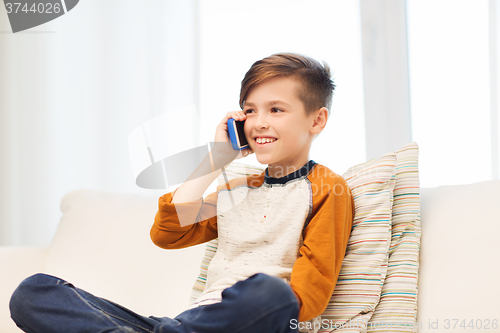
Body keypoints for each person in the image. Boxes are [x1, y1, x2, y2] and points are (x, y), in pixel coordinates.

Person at [9, 52, 354, 333]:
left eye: (275, 109)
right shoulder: (238, 188)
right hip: (187, 323)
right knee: (34, 292)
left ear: (317, 120)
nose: (259, 122)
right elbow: (168, 233)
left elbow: (308, 295)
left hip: (257, 319)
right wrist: (215, 160)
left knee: (271, 292)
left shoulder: (327, 189)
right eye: (250, 110)